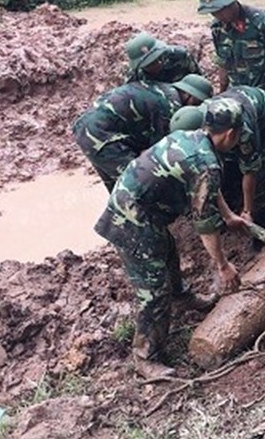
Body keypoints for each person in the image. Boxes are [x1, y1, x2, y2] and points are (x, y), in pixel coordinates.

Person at [94, 98, 247, 378]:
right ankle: (146, 357)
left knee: (167, 249)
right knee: (153, 289)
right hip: (131, 219)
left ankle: (181, 296)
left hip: (138, 207)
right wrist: (223, 266)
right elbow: (204, 224)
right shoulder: (206, 163)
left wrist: (227, 216)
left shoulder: (189, 137)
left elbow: (207, 191)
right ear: (231, 133)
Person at [72, 64, 213, 192]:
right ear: (188, 95)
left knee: (117, 183)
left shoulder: (161, 88)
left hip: (86, 128)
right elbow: (161, 151)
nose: (195, 108)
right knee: (136, 182)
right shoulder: (171, 105)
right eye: (197, 102)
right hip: (100, 135)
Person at [204, 86, 265, 244]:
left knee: (264, 175)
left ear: (232, 134)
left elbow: (250, 171)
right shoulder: (206, 126)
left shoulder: (244, 133)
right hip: (246, 108)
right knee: (229, 171)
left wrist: (248, 209)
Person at [125, 31, 201, 84]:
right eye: (149, 64)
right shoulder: (135, 75)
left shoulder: (179, 56)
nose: (157, 64)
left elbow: (199, 83)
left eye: (158, 58)